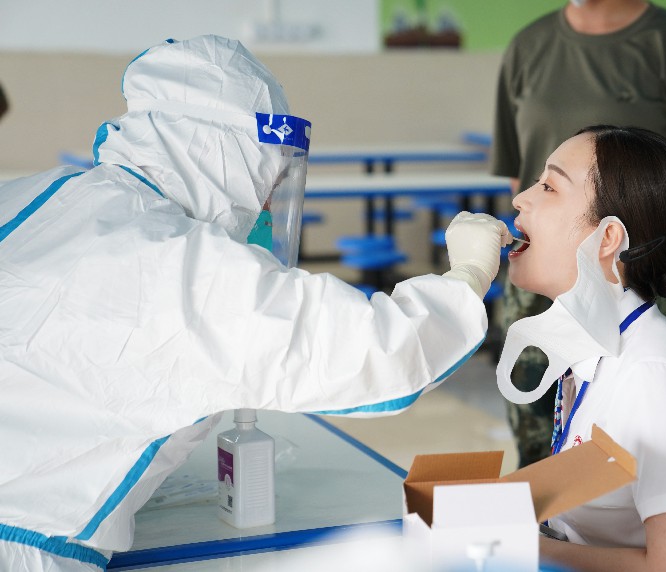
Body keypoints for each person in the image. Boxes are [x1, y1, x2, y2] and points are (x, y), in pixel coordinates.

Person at [0, 35, 511, 571]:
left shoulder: (45, 194)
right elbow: (377, 351)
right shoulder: (170, 261)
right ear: (222, 154)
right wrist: (467, 276)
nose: (267, 205)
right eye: (266, 177)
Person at [491, 0, 666, 467]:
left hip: (629, 274)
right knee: (547, 436)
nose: (523, 199)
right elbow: (517, 174)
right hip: (549, 274)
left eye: (548, 187)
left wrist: (650, 269)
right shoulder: (529, 45)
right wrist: (546, 249)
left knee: (626, 444)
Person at [496, 125, 666, 571]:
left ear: (608, 239)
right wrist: (460, 510)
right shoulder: (595, 349)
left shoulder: (653, 376)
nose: (521, 199)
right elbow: (587, 480)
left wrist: (522, 547)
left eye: (549, 186)